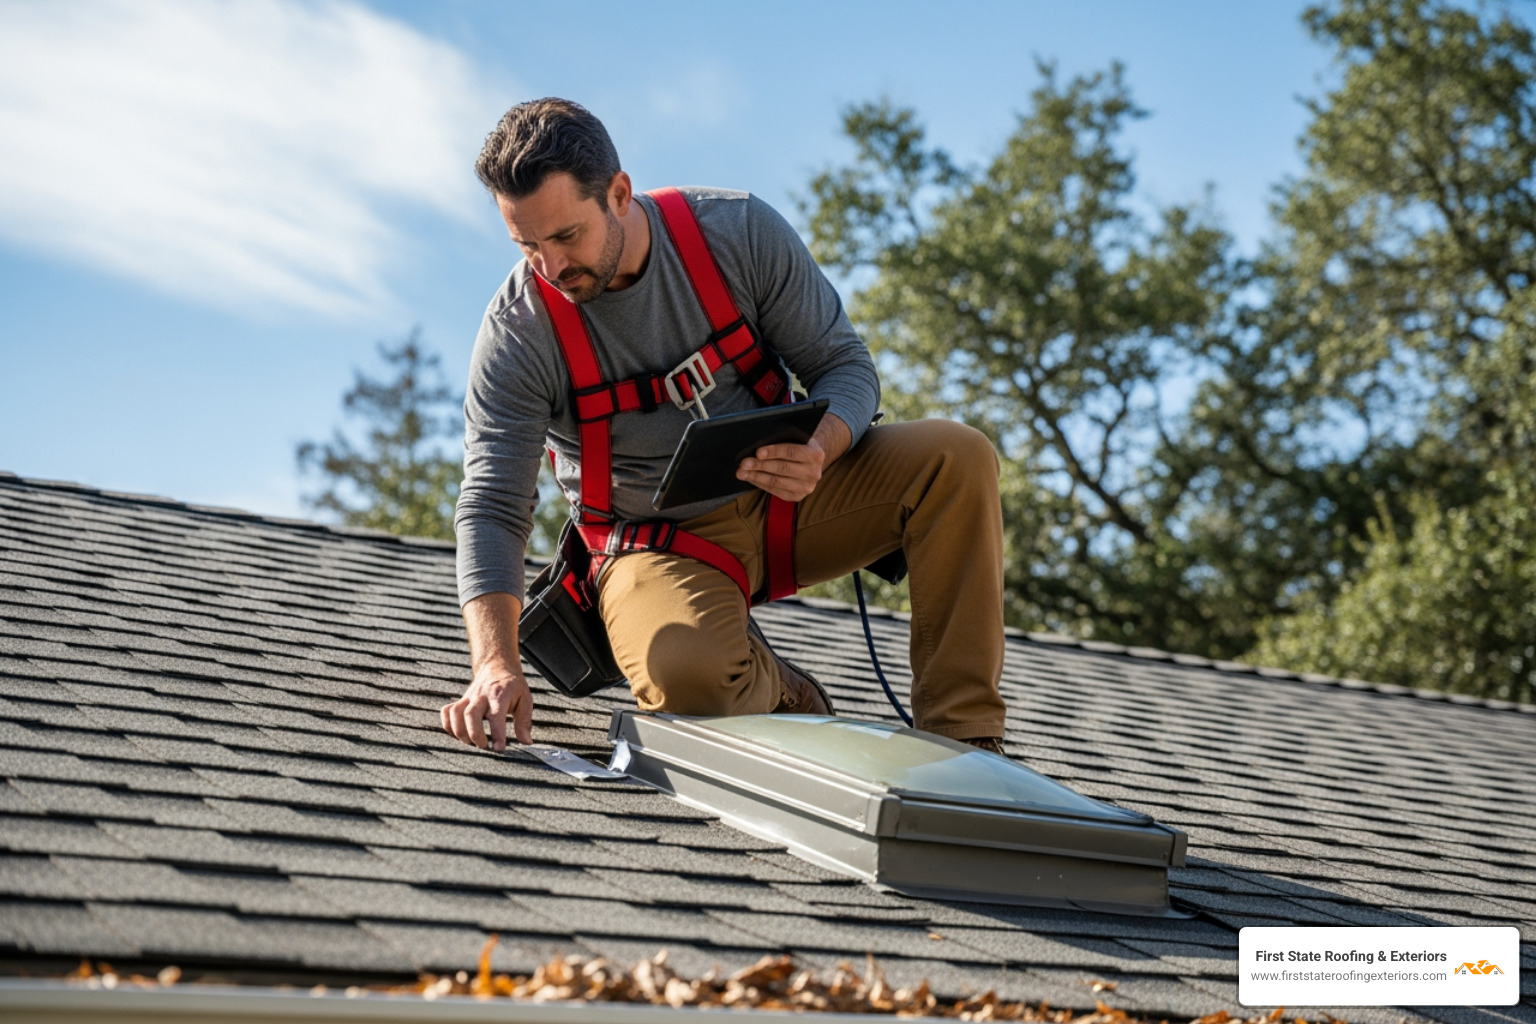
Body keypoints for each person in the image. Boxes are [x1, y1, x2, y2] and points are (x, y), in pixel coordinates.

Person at [442, 97, 1008, 754]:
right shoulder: (519, 332)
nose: (552, 267)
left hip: (790, 497)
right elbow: (491, 507)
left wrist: (822, 447)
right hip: (653, 546)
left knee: (957, 457)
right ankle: (783, 691)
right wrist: (494, 666)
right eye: (527, 245)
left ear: (620, 194)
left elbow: (845, 367)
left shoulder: (736, 232)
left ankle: (968, 745)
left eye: (566, 236)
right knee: (690, 679)